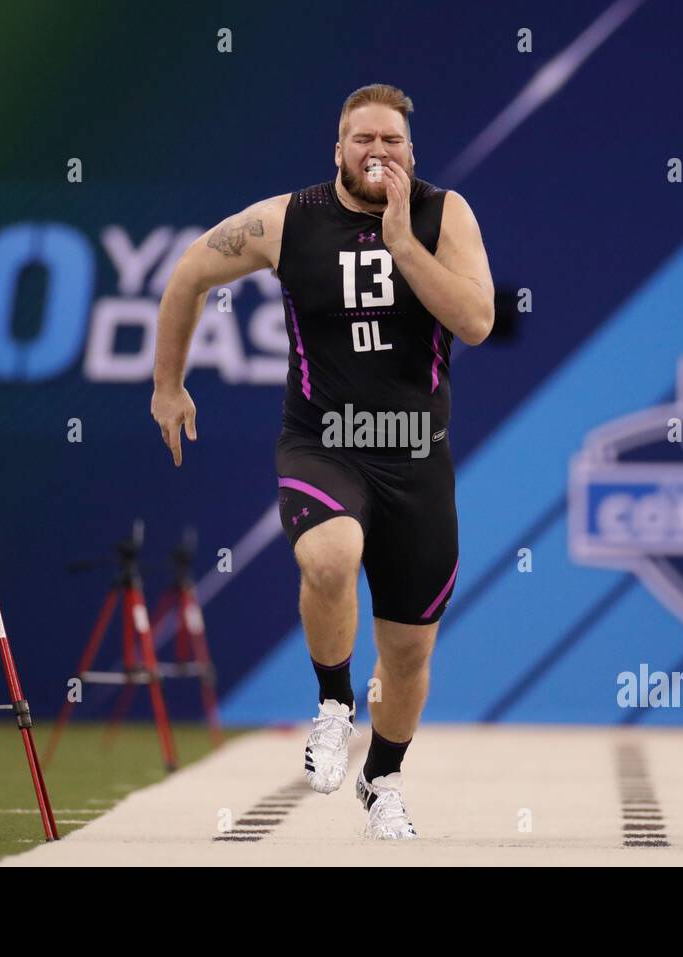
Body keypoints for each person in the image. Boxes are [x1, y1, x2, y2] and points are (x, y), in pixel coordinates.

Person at [150, 83, 494, 837]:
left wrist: (403, 243)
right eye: (362, 138)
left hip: (415, 458)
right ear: (337, 149)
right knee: (331, 558)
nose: (378, 151)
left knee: (406, 653)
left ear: (412, 151)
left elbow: (475, 318)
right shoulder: (287, 220)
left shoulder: (446, 215)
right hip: (324, 441)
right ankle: (334, 703)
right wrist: (167, 383)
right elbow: (188, 275)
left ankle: (383, 779)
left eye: (392, 140)